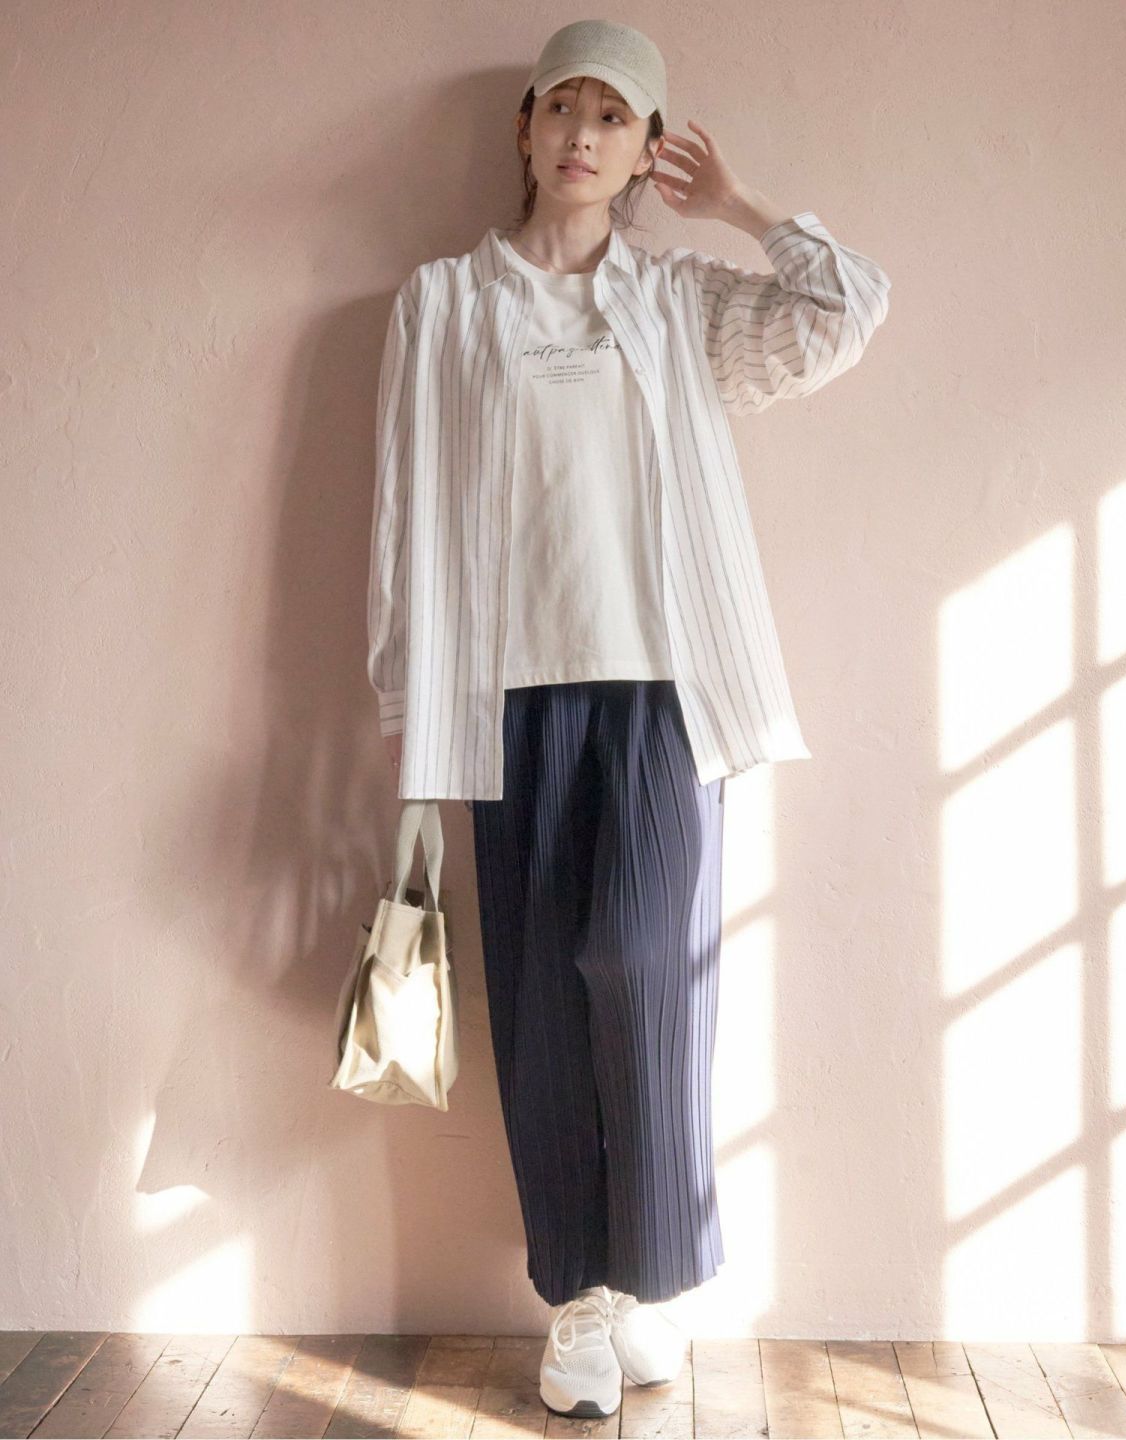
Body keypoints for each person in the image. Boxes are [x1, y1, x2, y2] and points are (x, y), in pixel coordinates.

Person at [367, 18, 891, 1420]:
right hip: (507, 699)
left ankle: (650, 1277)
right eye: (565, 110)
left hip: (667, 697)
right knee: (544, 998)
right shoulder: (444, 305)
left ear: (647, 149)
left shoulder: (678, 303)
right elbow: (405, 519)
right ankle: (580, 1301)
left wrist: (742, 208)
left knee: (647, 966)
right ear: (526, 129)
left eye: (616, 118)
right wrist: (411, 735)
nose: (584, 137)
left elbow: (847, 308)